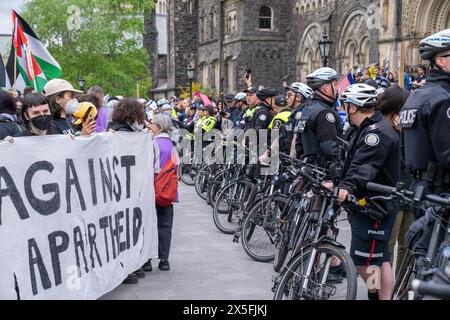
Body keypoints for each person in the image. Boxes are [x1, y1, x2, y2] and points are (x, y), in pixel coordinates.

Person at [335, 84, 401, 300]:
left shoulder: (376, 133)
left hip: (375, 205)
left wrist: (346, 187)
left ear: (352, 107)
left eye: (346, 104)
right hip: (368, 203)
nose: (344, 107)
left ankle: (376, 294)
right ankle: (381, 296)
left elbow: (364, 166)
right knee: (380, 259)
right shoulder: (363, 128)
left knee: (365, 261)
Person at [400, 29, 450, 196]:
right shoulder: (443, 98)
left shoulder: (416, 96)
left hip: (418, 187)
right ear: (441, 61)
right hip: (441, 192)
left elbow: (403, 150)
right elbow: (447, 154)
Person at [378, 85, 414, 277]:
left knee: (408, 244)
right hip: (390, 195)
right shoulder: (383, 130)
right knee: (385, 247)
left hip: (409, 191)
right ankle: (379, 289)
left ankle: (400, 285)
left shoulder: (406, 128)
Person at [142, 114, 179, 272]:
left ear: (158, 126)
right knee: (165, 225)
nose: (149, 125)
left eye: (152, 123)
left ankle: (147, 260)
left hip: (153, 189)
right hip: (168, 191)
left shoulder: (153, 144)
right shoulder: (172, 145)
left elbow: (147, 167)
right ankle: (164, 260)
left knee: (149, 225)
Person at [299, 67, 342, 165]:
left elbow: (297, 144)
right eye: (335, 85)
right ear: (326, 88)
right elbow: (330, 149)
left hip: (307, 168)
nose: (337, 89)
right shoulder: (324, 113)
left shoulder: (306, 109)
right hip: (323, 171)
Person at [284, 82, 314, 159]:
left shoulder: (302, 114)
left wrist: (291, 162)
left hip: (299, 161)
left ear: (298, 97)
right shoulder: (294, 113)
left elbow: (295, 138)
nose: (286, 97)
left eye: (289, 95)